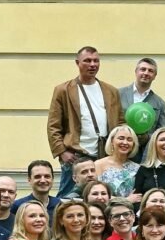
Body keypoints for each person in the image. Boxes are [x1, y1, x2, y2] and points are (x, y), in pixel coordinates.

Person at [46, 45, 122, 177]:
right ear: (77, 63)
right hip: (75, 155)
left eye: (96, 61)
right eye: (87, 60)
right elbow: (53, 125)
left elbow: (120, 122)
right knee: (69, 196)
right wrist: (62, 152)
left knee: (101, 195)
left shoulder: (111, 91)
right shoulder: (63, 90)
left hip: (104, 154)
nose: (92, 64)